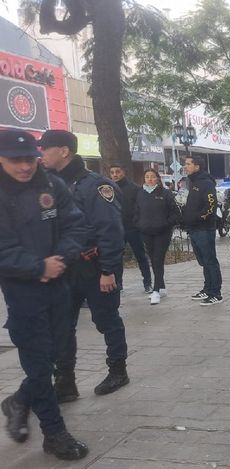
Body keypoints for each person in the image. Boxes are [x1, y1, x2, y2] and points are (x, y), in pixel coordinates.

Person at [0, 129, 89, 460]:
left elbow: (75, 225)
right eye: (15, 161)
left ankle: (19, 401)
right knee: (39, 365)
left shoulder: (52, 184)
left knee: (55, 355)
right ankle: (54, 433)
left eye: (30, 159)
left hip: (59, 285)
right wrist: (38, 267)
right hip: (23, 293)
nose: (24, 167)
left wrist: (60, 260)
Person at [37, 130, 129, 402]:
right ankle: (65, 382)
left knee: (106, 319)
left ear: (64, 150)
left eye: (46, 149)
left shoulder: (97, 186)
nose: (41, 154)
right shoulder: (49, 185)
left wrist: (108, 269)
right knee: (62, 326)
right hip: (65, 270)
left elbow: (111, 230)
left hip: (95, 266)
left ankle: (118, 370)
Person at [134, 169, 181, 306]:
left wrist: (166, 224)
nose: (149, 179)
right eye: (147, 177)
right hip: (146, 231)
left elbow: (175, 213)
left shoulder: (165, 193)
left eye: (152, 177)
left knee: (158, 259)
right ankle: (162, 287)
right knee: (153, 259)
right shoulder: (140, 193)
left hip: (162, 232)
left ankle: (155, 290)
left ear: (157, 179)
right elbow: (136, 211)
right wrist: (138, 224)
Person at [182, 155, 223, 306]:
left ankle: (216, 293)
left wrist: (198, 218)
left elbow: (211, 206)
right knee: (204, 261)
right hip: (194, 229)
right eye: (185, 164)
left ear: (197, 167)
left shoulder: (206, 183)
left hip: (204, 229)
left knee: (210, 260)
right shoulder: (193, 182)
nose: (185, 166)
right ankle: (207, 288)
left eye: (188, 164)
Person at [109, 164, 152, 293]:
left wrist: (138, 223)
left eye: (118, 171)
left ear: (124, 172)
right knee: (117, 257)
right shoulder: (108, 188)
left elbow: (141, 208)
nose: (115, 175)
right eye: (112, 172)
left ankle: (147, 283)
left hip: (133, 228)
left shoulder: (134, 188)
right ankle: (118, 283)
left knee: (141, 256)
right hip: (116, 229)